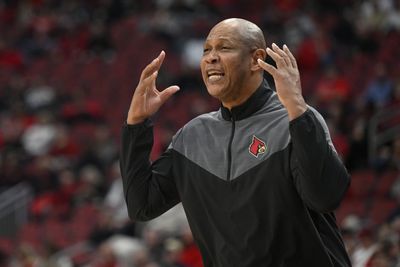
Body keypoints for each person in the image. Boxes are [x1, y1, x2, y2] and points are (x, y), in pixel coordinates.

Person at [120, 18, 351, 267]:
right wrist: (136, 125)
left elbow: (326, 197)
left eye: (224, 48)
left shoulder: (295, 119)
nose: (211, 57)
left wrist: (296, 106)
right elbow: (141, 205)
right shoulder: (192, 137)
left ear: (255, 59)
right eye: (206, 50)